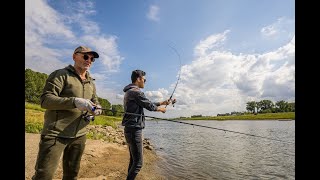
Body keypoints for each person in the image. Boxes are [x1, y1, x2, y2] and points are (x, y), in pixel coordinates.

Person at [32, 45, 103, 180]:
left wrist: (97, 109)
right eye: (86, 56)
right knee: (44, 175)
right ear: (74, 56)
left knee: (72, 175)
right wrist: (74, 101)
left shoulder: (91, 82)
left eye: (92, 59)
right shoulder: (60, 74)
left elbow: (95, 100)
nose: (89, 60)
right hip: (55, 134)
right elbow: (45, 100)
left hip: (79, 135)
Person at [122, 69, 176, 180]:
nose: (145, 82)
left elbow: (146, 103)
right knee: (138, 164)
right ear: (138, 79)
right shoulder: (136, 92)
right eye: (144, 80)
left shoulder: (130, 91)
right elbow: (150, 106)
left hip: (130, 129)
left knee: (133, 160)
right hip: (134, 130)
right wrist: (160, 109)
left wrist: (163, 102)